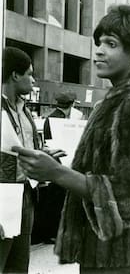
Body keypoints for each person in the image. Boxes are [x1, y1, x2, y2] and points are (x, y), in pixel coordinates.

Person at [12, 0, 130, 273]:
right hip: (103, 248)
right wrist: (54, 166)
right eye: (99, 44)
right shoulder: (112, 102)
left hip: (119, 254)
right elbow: (105, 172)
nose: (99, 52)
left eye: (111, 44)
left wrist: (57, 174)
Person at [0, 47, 64, 273]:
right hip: (4, 197)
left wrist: (44, 153)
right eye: (30, 73)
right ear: (15, 75)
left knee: (19, 265)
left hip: (26, 194)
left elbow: (25, 148)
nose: (34, 80)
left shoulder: (24, 110)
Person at [31, 91, 79, 244]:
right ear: (70, 105)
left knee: (54, 200)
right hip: (59, 165)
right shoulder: (61, 121)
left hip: (53, 164)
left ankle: (51, 232)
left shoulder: (51, 118)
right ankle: (51, 233)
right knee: (55, 201)